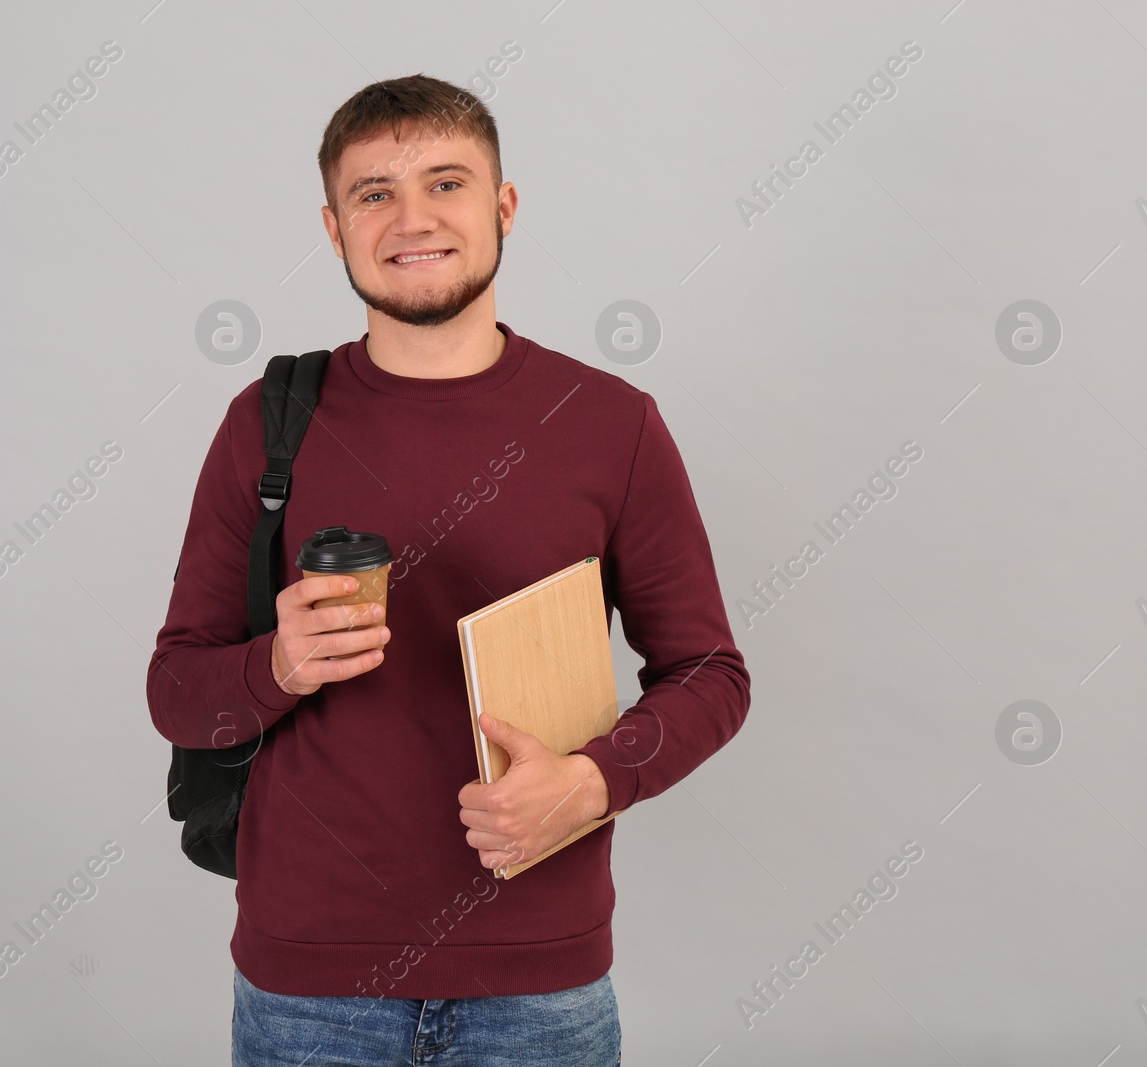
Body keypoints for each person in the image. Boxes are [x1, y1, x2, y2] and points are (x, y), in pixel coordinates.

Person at [148, 73, 751, 1066]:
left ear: (503, 206)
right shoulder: (266, 423)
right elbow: (178, 692)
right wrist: (281, 666)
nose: (411, 217)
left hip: (539, 988)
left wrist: (596, 780)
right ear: (335, 227)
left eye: (446, 182)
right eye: (374, 193)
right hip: (309, 990)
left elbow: (710, 675)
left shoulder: (609, 423)